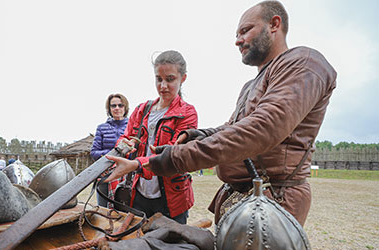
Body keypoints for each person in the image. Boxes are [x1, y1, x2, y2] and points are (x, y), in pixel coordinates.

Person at [107, 1, 336, 227]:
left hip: (274, 199)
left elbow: (262, 129)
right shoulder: (251, 85)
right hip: (245, 198)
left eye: (245, 31)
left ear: (274, 24)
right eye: (237, 34)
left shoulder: (303, 63)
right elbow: (233, 126)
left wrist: (174, 158)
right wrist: (200, 135)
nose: (238, 40)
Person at [108, 50, 198, 224]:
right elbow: (126, 137)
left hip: (172, 197)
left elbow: (173, 153)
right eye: (159, 79)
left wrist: (136, 164)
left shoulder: (188, 113)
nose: (163, 86)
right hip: (139, 192)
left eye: (170, 79)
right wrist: (125, 143)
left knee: (171, 246)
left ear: (183, 78)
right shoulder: (142, 110)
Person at [90, 94, 130, 207]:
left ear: (125, 108)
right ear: (109, 109)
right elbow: (94, 153)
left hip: (127, 174)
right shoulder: (102, 128)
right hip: (105, 173)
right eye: (113, 106)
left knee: (125, 210)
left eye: (120, 105)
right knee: (103, 210)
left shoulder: (132, 127)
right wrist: (112, 154)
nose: (117, 108)